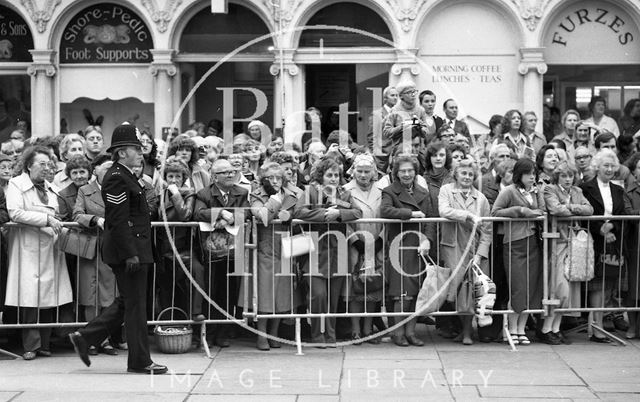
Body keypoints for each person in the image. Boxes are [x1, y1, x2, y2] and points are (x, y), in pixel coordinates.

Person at [68, 123, 167, 374]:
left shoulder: (125, 174)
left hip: (135, 248)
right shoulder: (116, 177)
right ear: (122, 152)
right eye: (135, 147)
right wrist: (130, 253)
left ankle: (85, 337)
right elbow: (118, 219)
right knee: (135, 307)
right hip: (129, 250)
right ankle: (140, 361)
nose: (140, 151)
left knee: (128, 302)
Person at [5, 146, 73, 360]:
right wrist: (45, 219)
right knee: (29, 297)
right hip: (28, 248)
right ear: (28, 165)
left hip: (49, 248)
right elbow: (15, 212)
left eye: (49, 164)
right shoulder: (17, 185)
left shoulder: (51, 188)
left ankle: (45, 343)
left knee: (48, 297)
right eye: (41, 164)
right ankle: (30, 345)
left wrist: (58, 222)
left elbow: (58, 214)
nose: (46, 168)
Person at [293, 158, 362, 346]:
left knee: (333, 297)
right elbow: (298, 212)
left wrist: (339, 214)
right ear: (321, 176)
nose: (333, 179)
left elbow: (358, 213)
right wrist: (325, 215)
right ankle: (317, 335)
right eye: (329, 175)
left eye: (337, 175)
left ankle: (330, 336)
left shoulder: (344, 194)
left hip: (338, 251)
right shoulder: (311, 192)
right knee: (318, 296)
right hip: (315, 251)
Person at [193, 158, 250, 347]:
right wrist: (220, 213)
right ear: (214, 176)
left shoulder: (241, 192)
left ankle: (223, 333)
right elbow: (199, 213)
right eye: (225, 172)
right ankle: (209, 333)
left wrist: (233, 216)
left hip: (234, 250)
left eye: (232, 171)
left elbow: (247, 212)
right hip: (211, 251)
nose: (230, 174)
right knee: (212, 291)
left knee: (230, 292)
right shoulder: (204, 193)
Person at [381, 154, 436, 347]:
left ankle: (411, 332)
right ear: (396, 173)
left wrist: (428, 240)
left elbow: (430, 218)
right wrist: (410, 214)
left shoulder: (423, 191)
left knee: (417, 293)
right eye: (402, 171)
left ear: (415, 171)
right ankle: (398, 333)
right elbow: (385, 211)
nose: (406, 174)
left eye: (410, 170)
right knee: (401, 293)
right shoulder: (389, 191)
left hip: (419, 247)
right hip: (400, 246)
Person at [245, 162, 301, 350]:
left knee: (282, 293)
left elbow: (300, 213)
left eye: (279, 177)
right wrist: (275, 201)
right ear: (263, 179)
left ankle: (275, 333)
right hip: (265, 247)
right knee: (264, 292)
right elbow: (261, 215)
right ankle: (261, 335)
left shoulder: (293, 194)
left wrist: (290, 216)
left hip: (286, 246)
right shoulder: (256, 194)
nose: (275, 181)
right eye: (271, 178)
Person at [438, 158, 492, 345]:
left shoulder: (481, 198)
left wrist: (480, 254)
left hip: (473, 249)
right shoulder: (446, 191)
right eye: (464, 173)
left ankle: (468, 332)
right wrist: (467, 216)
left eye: (470, 174)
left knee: (471, 289)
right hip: (453, 247)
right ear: (456, 174)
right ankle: (463, 329)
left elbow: (487, 230)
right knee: (455, 289)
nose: (467, 177)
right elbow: (444, 211)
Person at [492, 158, 545, 345]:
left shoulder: (537, 190)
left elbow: (542, 210)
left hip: (533, 243)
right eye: (529, 173)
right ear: (519, 174)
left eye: (534, 173)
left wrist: (537, 205)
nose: (532, 177)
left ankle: (521, 329)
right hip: (513, 243)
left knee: (531, 287)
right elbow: (495, 212)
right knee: (518, 287)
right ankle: (511, 328)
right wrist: (520, 210)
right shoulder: (509, 191)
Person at [542, 161, 593, 345]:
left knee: (569, 290)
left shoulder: (577, 192)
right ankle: (546, 328)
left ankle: (556, 328)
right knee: (558, 287)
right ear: (557, 177)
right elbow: (555, 209)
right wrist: (572, 210)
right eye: (564, 175)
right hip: (557, 242)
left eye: (570, 175)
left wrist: (570, 208)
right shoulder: (549, 189)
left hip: (574, 244)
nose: (568, 179)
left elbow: (589, 209)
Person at [72, 153, 118, 355]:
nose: (109, 171)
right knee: (90, 295)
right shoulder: (85, 190)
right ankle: (90, 339)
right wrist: (94, 219)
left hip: (112, 247)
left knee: (108, 294)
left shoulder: (118, 188)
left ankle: (104, 339)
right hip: (91, 247)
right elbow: (77, 214)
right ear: (95, 170)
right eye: (105, 167)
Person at [580, 149, 628, 343]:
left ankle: (597, 325)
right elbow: (584, 215)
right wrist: (600, 229)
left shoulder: (618, 190)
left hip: (613, 242)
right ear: (597, 167)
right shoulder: (586, 187)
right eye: (605, 165)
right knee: (597, 287)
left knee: (608, 286)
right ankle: (597, 328)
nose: (609, 169)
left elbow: (622, 213)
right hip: (594, 241)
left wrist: (612, 228)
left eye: (612, 166)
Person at [343, 154, 385, 344]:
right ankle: (355, 330)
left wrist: (380, 241)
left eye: (367, 171)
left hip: (376, 244)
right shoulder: (345, 190)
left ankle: (369, 329)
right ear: (353, 171)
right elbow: (343, 219)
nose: (363, 175)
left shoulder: (382, 190)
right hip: (355, 246)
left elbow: (386, 217)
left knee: (373, 286)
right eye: (359, 171)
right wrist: (355, 241)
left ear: (374, 172)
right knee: (355, 288)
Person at [383, 80, 430, 152]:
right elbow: (386, 133)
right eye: (409, 92)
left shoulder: (420, 110)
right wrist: (401, 127)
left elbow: (426, 133)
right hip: (400, 151)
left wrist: (420, 126)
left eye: (414, 91)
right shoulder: (394, 111)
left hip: (418, 151)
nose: (413, 94)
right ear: (401, 96)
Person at [624, 152, 640, 339]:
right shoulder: (628, 192)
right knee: (634, 288)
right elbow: (629, 214)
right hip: (635, 245)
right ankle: (632, 326)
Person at [57, 155, 91, 222]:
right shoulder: (63, 195)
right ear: (70, 176)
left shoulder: (97, 190)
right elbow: (64, 221)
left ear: (89, 173)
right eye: (74, 173)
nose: (79, 176)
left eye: (82, 172)